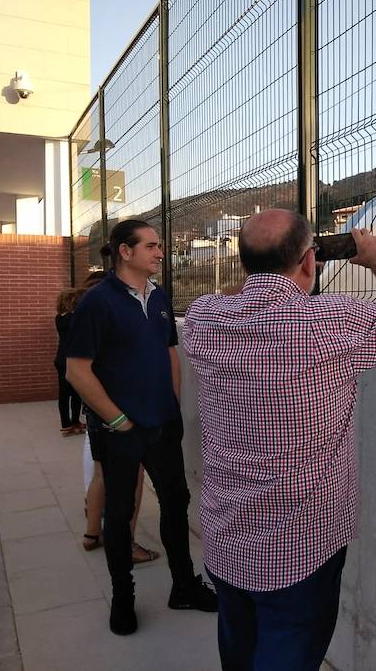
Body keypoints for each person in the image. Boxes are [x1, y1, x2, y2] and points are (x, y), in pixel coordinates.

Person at [183, 209, 376, 670]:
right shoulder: (333, 324)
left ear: (244, 263)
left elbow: (239, 296)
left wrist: (265, 278)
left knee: (238, 652)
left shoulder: (203, 319)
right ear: (310, 261)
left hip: (225, 537)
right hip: (299, 549)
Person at [65, 220, 216, 636]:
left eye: (160, 245)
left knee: (176, 503)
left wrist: (171, 406)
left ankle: (184, 586)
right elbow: (76, 370)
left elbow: (170, 354)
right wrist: (117, 420)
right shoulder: (98, 302)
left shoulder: (160, 297)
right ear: (125, 252)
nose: (160, 252)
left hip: (163, 425)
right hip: (122, 430)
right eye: (151, 246)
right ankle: (122, 598)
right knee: (119, 513)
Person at [75, 270, 158, 565]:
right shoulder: (104, 317)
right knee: (131, 478)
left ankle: (91, 533)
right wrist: (121, 420)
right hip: (117, 411)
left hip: (97, 411)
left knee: (100, 474)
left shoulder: (83, 320)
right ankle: (127, 545)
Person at [54, 288, 84, 436]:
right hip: (69, 359)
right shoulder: (71, 317)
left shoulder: (59, 317)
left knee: (69, 393)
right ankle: (69, 424)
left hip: (62, 357)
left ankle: (71, 422)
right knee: (71, 392)